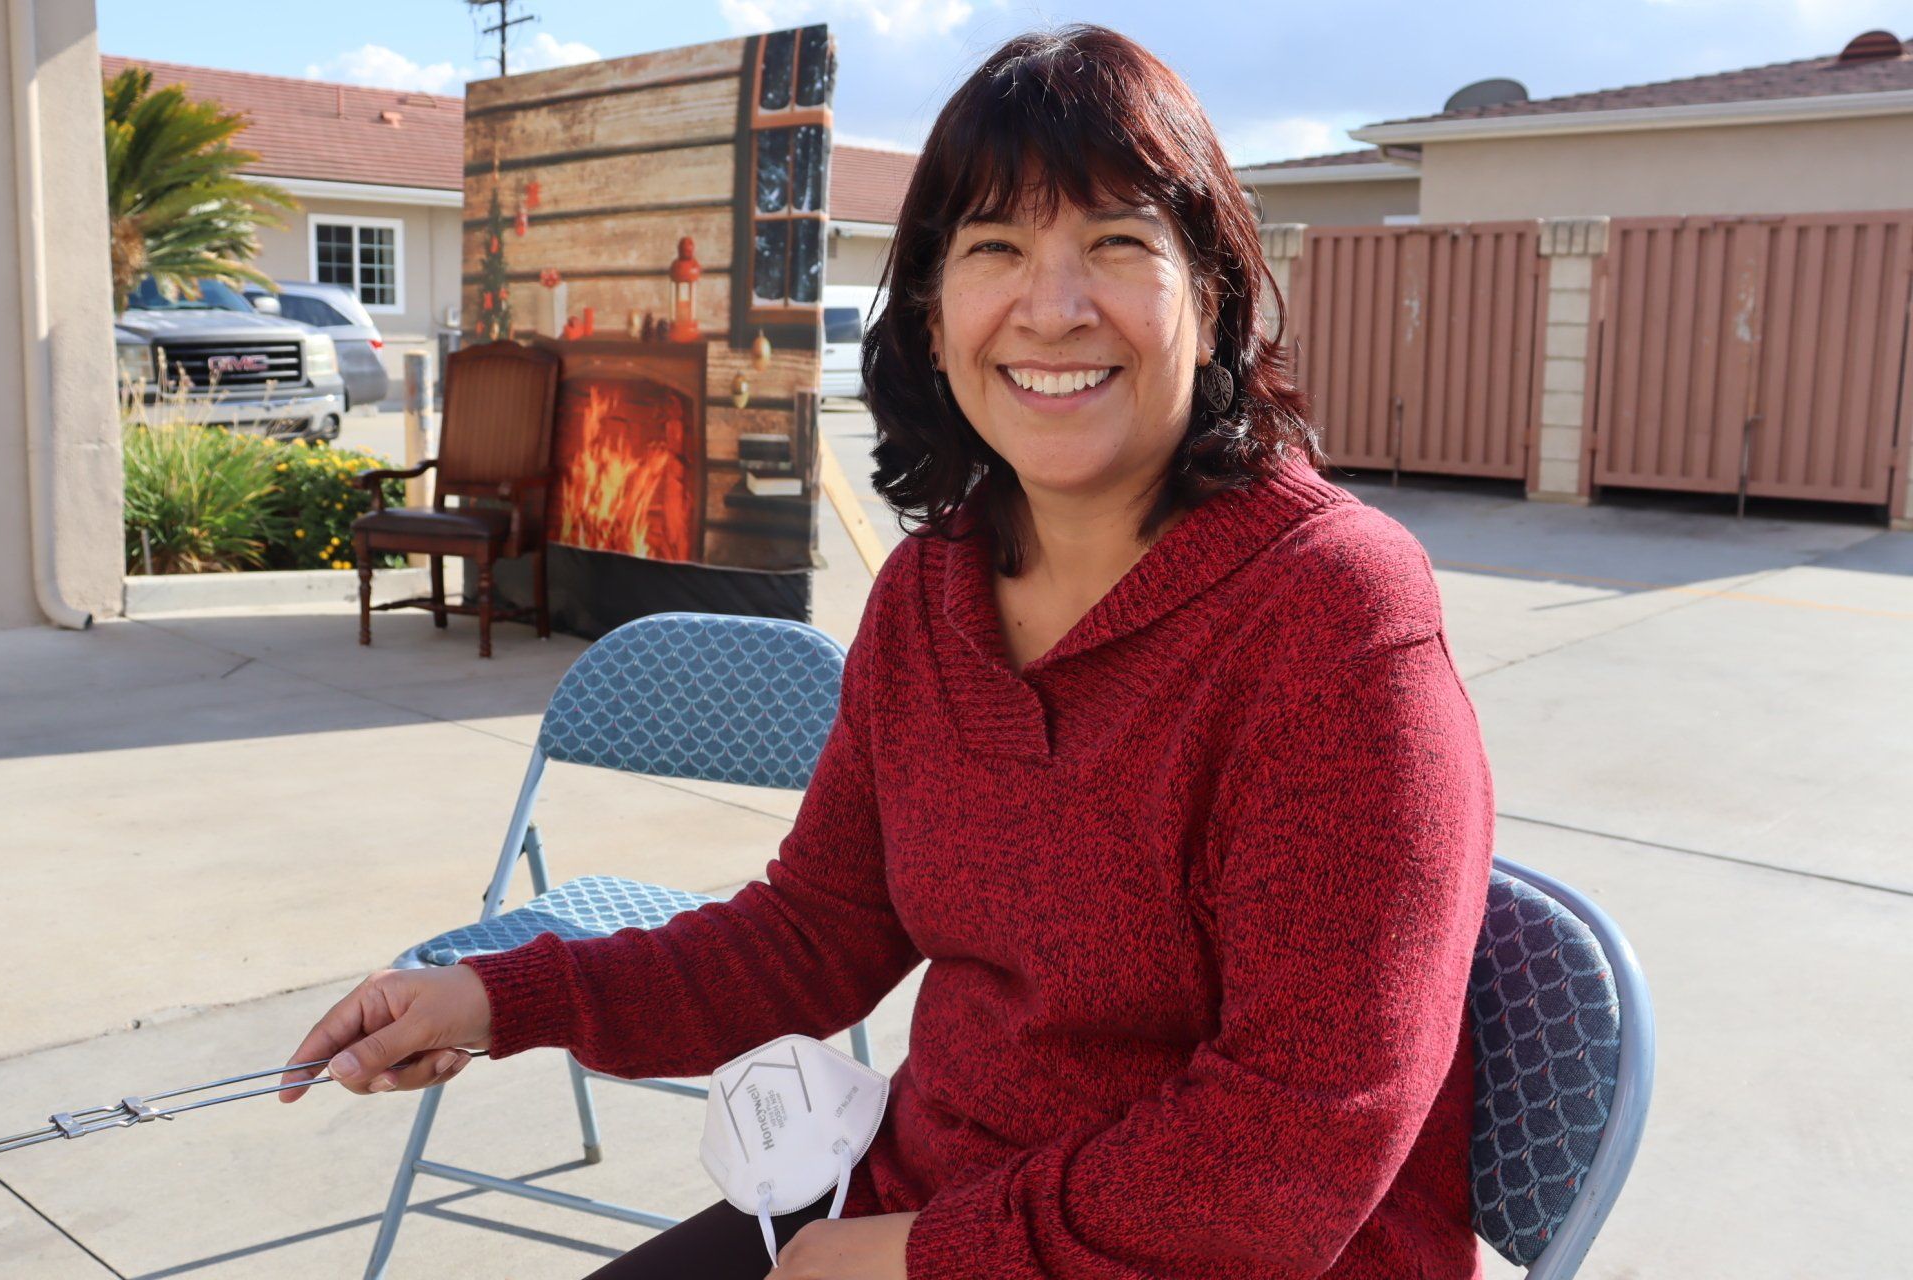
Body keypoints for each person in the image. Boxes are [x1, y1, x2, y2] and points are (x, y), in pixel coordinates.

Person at [280, 23, 1495, 1280]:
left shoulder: (1329, 611)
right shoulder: (933, 594)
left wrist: (905, 1259)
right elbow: (815, 931)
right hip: (917, 1209)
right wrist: (496, 999)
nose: (1054, 305)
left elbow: (1295, 1144)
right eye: (996, 249)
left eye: (1118, 244)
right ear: (931, 307)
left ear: (1215, 293)